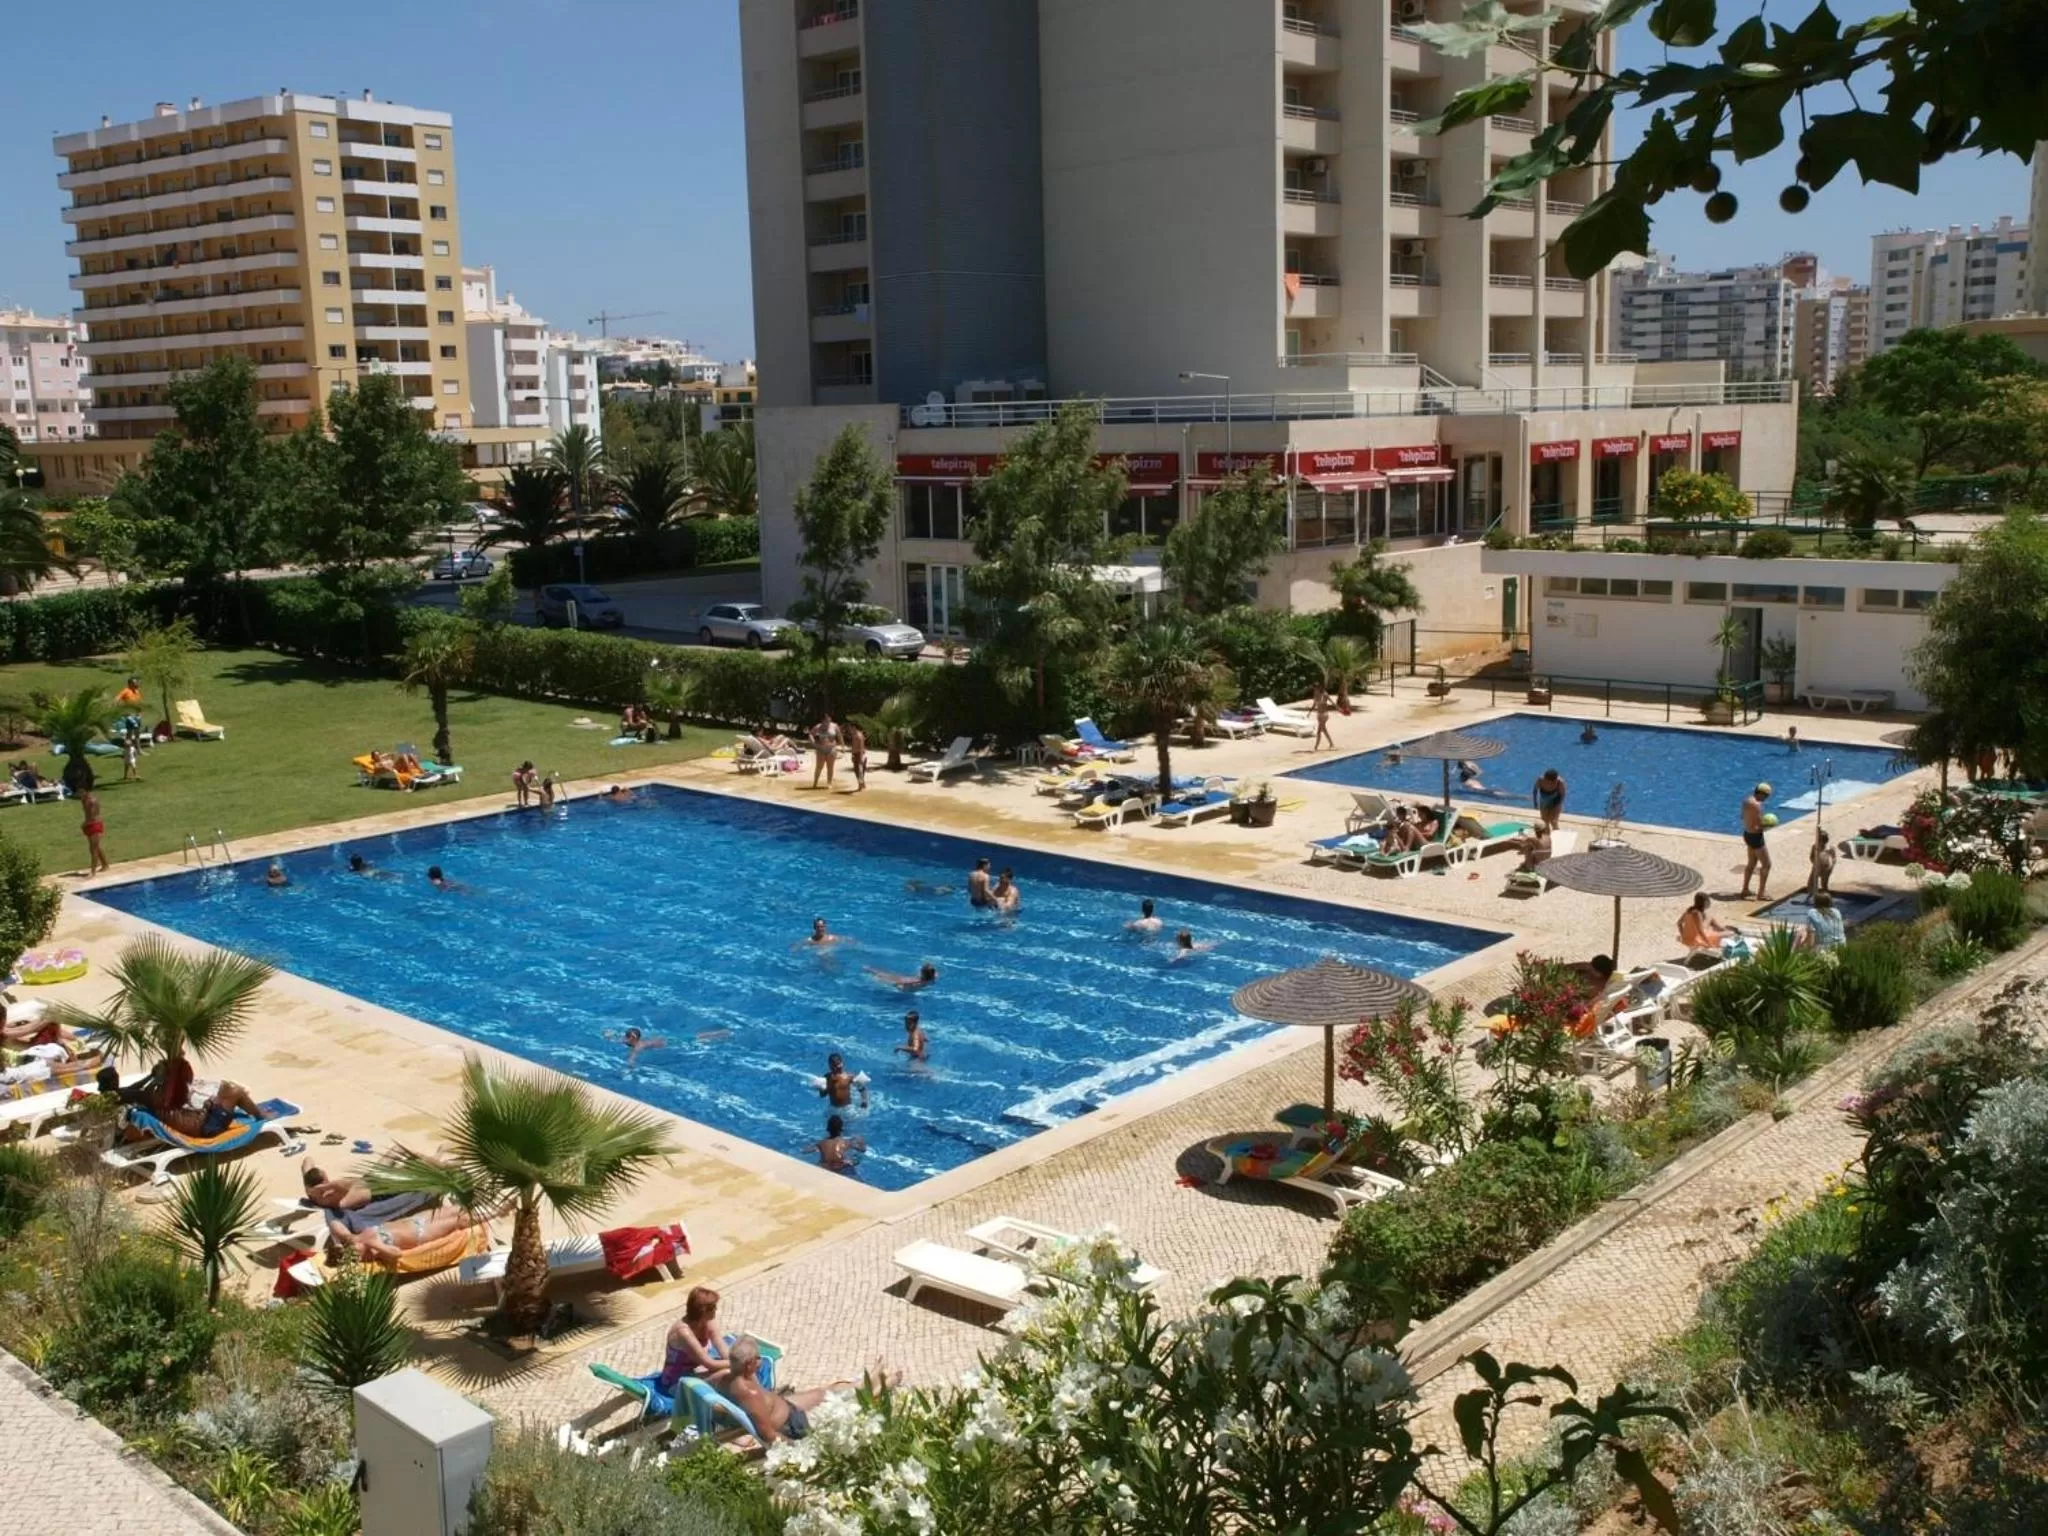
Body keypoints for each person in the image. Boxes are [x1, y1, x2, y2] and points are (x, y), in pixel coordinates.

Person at [720, 1336, 853, 1445]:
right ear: (749, 1365)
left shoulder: (730, 1377)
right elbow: (769, 1435)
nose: (760, 1361)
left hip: (786, 1407)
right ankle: (863, 1389)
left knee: (823, 1393)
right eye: (758, 1358)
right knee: (838, 1403)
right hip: (793, 1425)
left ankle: (860, 1384)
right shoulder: (748, 1393)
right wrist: (796, 1447)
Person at [327, 1203, 483, 1265]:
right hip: (421, 1233)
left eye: (353, 1249)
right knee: (459, 1221)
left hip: (414, 1220)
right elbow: (396, 1254)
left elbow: (334, 1223)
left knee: (454, 1209)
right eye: (356, 1254)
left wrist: (345, 1239)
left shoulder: (353, 1238)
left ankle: (488, 1200)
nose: (357, 1249)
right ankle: (498, 1210)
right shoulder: (372, 1252)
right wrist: (371, 1243)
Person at [657, 1287, 732, 1392]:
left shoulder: (708, 1321)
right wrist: (737, 1364)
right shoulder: (683, 1333)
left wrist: (736, 1361)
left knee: (736, 1372)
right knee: (726, 1374)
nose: (716, 1309)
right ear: (704, 1311)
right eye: (713, 1307)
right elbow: (709, 1363)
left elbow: (722, 1346)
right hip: (678, 1381)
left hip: (696, 1371)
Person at [1677, 892, 1737, 961]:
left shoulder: (1689, 910)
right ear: (1705, 902)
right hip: (1696, 939)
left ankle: (1722, 929)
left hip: (1688, 938)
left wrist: (1683, 935)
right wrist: (1708, 943)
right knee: (1730, 933)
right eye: (1708, 901)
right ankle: (1723, 929)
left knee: (1709, 917)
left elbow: (1679, 923)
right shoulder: (1697, 913)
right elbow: (1700, 931)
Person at [1739, 783, 1773, 899]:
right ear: (1761, 794)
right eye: (1766, 796)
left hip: (1747, 834)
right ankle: (1761, 893)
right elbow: (1758, 826)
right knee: (1767, 864)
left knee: (1751, 863)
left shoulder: (1746, 801)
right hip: (1756, 837)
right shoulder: (1757, 805)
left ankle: (1745, 889)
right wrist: (1769, 824)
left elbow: (1742, 817)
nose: (1766, 799)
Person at [79, 790, 108, 876]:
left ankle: (93, 871)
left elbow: (92, 816)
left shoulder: (92, 801)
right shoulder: (84, 799)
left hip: (94, 825)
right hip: (89, 825)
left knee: (93, 849)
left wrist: (83, 824)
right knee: (96, 847)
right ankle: (105, 864)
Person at [810, 712, 841, 790]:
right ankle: (815, 782)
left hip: (831, 749)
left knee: (830, 767)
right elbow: (811, 734)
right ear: (822, 721)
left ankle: (829, 783)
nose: (827, 722)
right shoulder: (818, 727)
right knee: (819, 767)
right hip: (821, 749)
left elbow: (839, 735)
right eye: (825, 721)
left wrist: (842, 746)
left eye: (828, 720)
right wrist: (813, 743)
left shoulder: (834, 726)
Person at [865, 961, 937, 992]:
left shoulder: (918, 981)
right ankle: (870, 970)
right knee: (889, 975)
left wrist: (893, 983)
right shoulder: (932, 977)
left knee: (881, 976)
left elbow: (900, 982)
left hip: (903, 989)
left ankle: (869, 969)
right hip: (908, 984)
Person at [1807, 827, 1837, 897]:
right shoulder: (1815, 847)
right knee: (1811, 883)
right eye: (1820, 841)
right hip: (1816, 867)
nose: (1821, 844)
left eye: (1822, 842)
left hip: (1826, 868)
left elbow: (1834, 858)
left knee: (1824, 884)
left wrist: (1831, 866)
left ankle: (1826, 898)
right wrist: (1814, 863)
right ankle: (1812, 895)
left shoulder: (1830, 848)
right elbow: (1811, 856)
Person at [1311, 683, 1335, 752]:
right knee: (1324, 730)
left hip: (1324, 714)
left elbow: (1333, 703)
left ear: (1319, 688)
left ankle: (1315, 747)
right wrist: (1309, 712)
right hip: (1318, 714)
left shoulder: (1325, 694)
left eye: (1315, 688)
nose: (1314, 689)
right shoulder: (1315, 695)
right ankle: (1331, 743)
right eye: (1314, 688)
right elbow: (1314, 704)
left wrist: (1340, 709)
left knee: (1318, 731)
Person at [845, 719, 868, 792]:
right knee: (856, 770)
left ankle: (861, 785)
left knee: (859, 770)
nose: (849, 729)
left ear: (854, 727)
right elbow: (853, 746)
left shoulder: (859, 735)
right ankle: (861, 784)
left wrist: (861, 757)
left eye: (850, 728)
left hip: (860, 754)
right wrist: (852, 755)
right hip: (856, 754)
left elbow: (861, 747)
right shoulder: (854, 735)